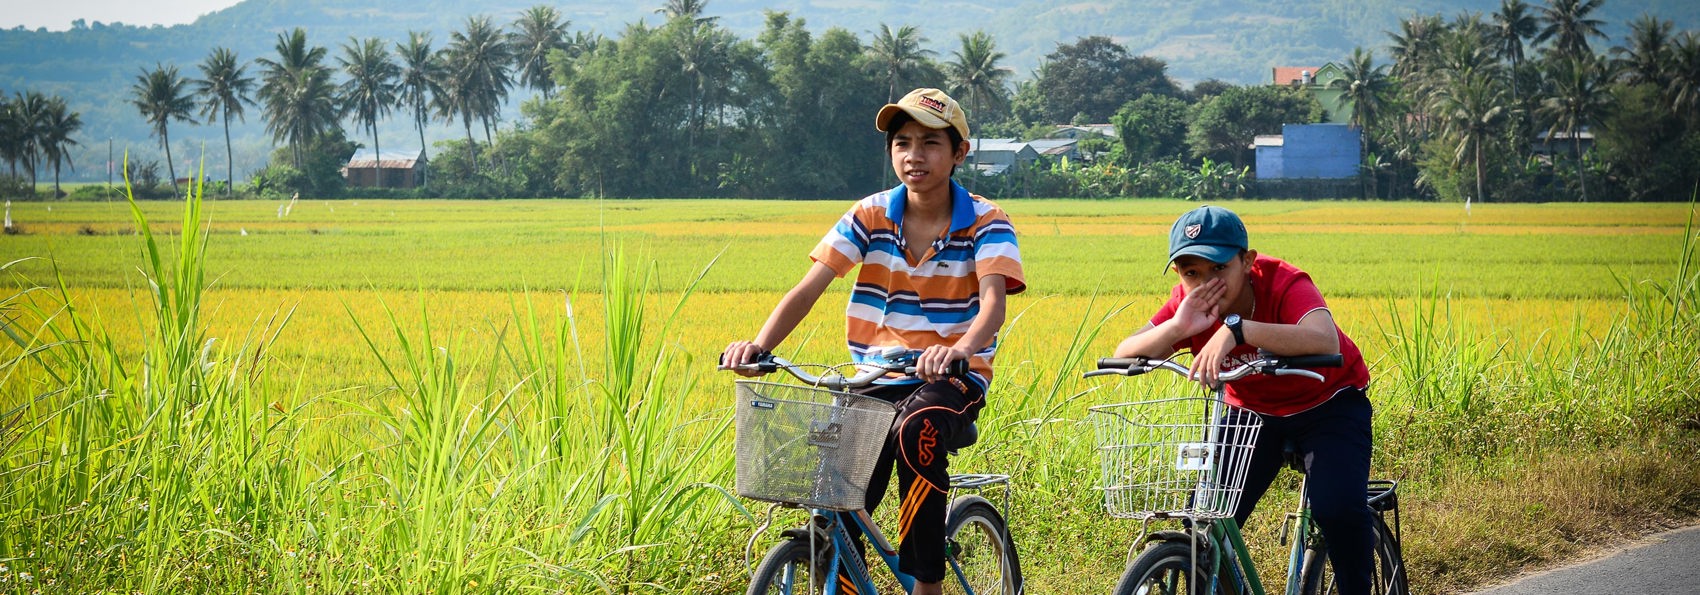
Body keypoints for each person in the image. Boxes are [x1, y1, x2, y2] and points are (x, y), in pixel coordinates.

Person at [721, 88, 1025, 595]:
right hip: (876, 374)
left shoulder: (986, 220)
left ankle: (927, 583)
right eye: (902, 143)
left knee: (916, 430)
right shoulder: (870, 214)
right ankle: (843, 579)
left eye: (930, 143)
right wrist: (758, 346)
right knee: (833, 476)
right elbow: (808, 289)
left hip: (953, 377)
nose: (914, 155)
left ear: (959, 153)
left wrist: (959, 350)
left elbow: (993, 305)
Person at [1111, 205, 1376, 595]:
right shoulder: (1190, 304)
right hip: (1252, 414)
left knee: (1336, 510)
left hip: (1327, 404)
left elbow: (1325, 339)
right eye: (1191, 273)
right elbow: (1123, 353)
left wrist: (1238, 330)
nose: (1206, 283)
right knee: (1204, 521)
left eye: (1219, 268)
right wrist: (1179, 326)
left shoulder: (1284, 282)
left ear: (1247, 261)